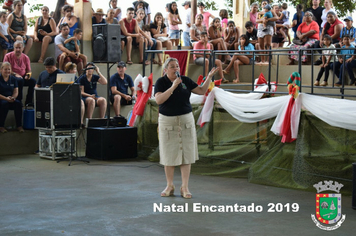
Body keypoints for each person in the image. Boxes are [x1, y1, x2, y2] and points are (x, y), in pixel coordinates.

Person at [154, 57, 219, 199]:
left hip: (185, 120)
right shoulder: (161, 82)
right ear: (165, 70)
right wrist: (173, 86)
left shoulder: (185, 80)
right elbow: (159, 100)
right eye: (172, 66)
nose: (176, 69)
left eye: (177, 66)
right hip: (168, 122)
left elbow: (201, 91)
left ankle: (185, 186)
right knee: (168, 154)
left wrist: (208, 77)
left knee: (186, 154)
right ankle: (169, 185)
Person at [3, 40, 35, 106]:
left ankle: (28, 101)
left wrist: (27, 75)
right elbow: (5, 69)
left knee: (33, 81)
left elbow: (29, 70)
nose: (17, 49)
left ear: (23, 48)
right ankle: (19, 100)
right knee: (20, 80)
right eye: (16, 48)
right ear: (13, 48)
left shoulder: (26, 57)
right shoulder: (8, 56)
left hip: (22, 77)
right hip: (11, 76)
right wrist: (15, 74)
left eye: (19, 48)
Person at [0, 62, 23, 133]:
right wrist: (5, 98)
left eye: (9, 69)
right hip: (1, 99)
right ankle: (1, 126)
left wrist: (12, 97)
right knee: (4, 104)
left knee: (18, 104)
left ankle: (19, 126)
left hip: (10, 98)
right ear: (1, 70)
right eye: (5, 69)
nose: (7, 71)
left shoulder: (13, 79)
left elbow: (16, 91)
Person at [64, 62, 85, 127]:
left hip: (74, 96)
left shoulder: (76, 78)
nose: (75, 71)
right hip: (65, 96)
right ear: (70, 70)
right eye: (74, 69)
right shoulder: (63, 76)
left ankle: (81, 121)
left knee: (81, 102)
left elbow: (79, 88)